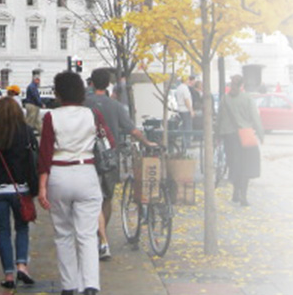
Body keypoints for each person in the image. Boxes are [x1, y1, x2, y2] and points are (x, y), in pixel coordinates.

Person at [38, 71, 104, 295]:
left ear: (58, 93)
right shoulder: (92, 114)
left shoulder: (51, 117)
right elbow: (109, 141)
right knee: (86, 233)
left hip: (59, 173)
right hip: (86, 171)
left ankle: (69, 285)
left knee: (63, 233)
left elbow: (45, 152)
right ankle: (91, 285)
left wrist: (42, 186)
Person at [83, 68, 158, 260]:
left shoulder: (84, 103)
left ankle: (98, 238)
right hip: (109, 158)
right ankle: (102, 237)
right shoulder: (115, 106)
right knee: (107, 198)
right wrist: (147, 142)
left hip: (87, 157)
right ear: (108, 84)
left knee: (90, 200)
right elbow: (132, 130)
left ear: (91, 83)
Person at [0, 97, 38, 289]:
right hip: (21, 188)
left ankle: (9, 275)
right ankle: (22, 265)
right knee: (22, 228)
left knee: (3, 231)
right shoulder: (27, 132)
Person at [217, 74, 263, 207]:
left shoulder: (224, 99)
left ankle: (235, 192)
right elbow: (255, 117)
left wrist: (217, 135)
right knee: (246, 166)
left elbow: (219, 117)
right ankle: (243, 195)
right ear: (242, 85)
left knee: (234, 165)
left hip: (229, 136)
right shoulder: (247, 99)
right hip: (245, 135)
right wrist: (260, 134)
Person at [172, 75, 196, 146]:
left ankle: (182, 141)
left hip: (180, 109)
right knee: (187, 127)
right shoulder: (185, 88)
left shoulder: (178, 88)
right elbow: (187, 100)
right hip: (185, 110)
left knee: (183, 126)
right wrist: (191, 110)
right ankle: (187, 143)